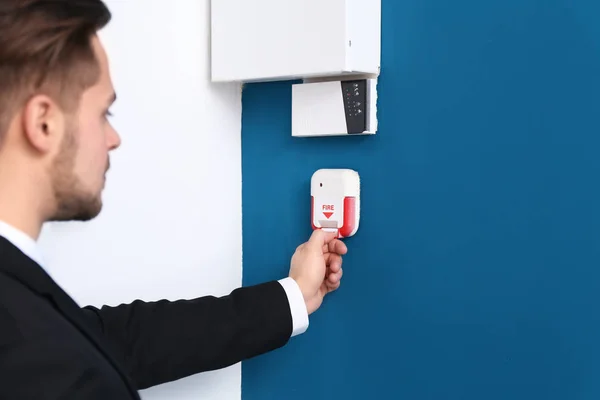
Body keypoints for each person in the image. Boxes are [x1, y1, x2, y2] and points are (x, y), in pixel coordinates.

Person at [0, 1, 347, 398]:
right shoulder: (22, 343)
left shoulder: (24, 311)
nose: (113, 138)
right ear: (43, 122)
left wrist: (294, 294)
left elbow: (113, 342)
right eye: (103, 113)